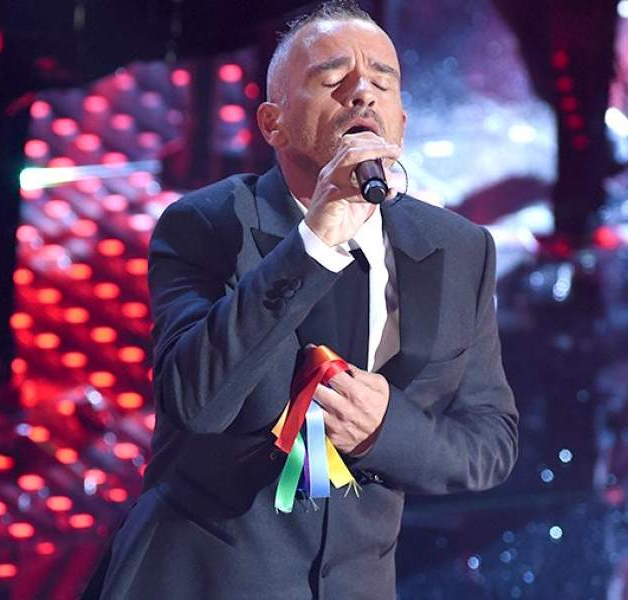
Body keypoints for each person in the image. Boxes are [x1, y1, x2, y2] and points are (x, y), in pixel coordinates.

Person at [82, 2, 518, 598]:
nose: (362, 92)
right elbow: (197, 400)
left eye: (383, 81)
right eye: (333, 77)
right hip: (204, 581)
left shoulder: (458, 249)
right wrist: (315, 242)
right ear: (273, 124)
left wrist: (385, 430)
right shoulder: (208, 226)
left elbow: (490, 442)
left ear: (401, 121)